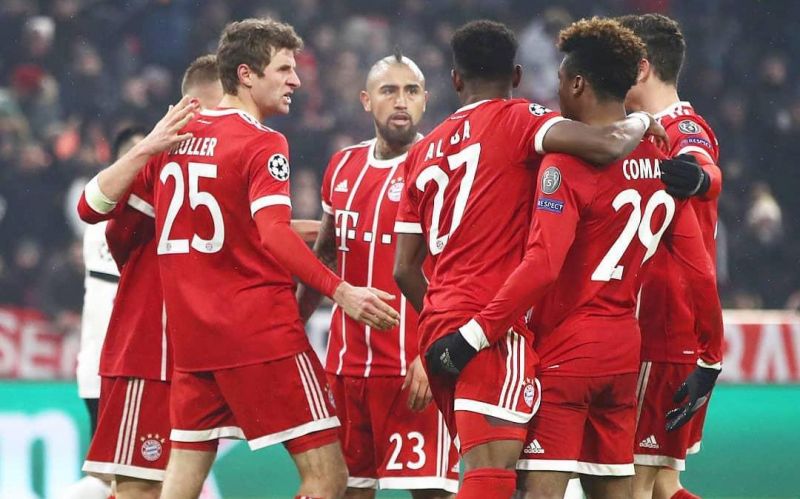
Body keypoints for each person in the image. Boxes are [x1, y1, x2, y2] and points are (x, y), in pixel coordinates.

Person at [80, 18, 399, 499]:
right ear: (246, 75)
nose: (296, 80)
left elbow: (92, 211)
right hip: (259, 334)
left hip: (192, 345)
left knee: (178, 484)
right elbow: (272, 234)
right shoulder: (263, 142)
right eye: (284, 69)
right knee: (329, 477)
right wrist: (341, 291)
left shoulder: (173, 139)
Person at [434, 18, 723, 499]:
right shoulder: (661, 162)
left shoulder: (565, 163)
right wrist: (712, 357)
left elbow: (543, 266)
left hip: (565, 353)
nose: (556, 90)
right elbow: (701, 272)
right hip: (623, 353)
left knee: (537, 493)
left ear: (576, 84)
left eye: (561, 78)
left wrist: (473, 334)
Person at [297, 52, 458, 498]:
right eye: (389, 90)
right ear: (366, 100)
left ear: (425, 100)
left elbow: (458, 271)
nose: (401, 101)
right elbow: (324, 257)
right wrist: (292, 331)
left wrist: (432, 354)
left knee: (431, 492)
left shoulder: (443, 169)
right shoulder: (342, 165)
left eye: (411, 91)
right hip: (345, 370)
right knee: (346, 491)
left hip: (413, 371)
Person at [76, 55, 224, 499]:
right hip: (143, 356)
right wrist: (148, 149)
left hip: (196, 357)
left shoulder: (220, 168)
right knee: (129, 485)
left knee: (181, 486)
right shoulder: (151, 179)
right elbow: (91, 209)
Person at [619, 14, 724, 499]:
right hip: (671, 331)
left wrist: (700, 178)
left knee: (631, 484)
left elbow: (702, 167)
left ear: (640, 68)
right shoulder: (643, 131)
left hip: (661, 330)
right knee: (663, 483)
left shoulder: (683, 127)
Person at [60, 127, 143, 499]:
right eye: (135, 151)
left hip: (121, 364)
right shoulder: (109, 218)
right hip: (110, 367)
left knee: (127, 476)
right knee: (113, 477)